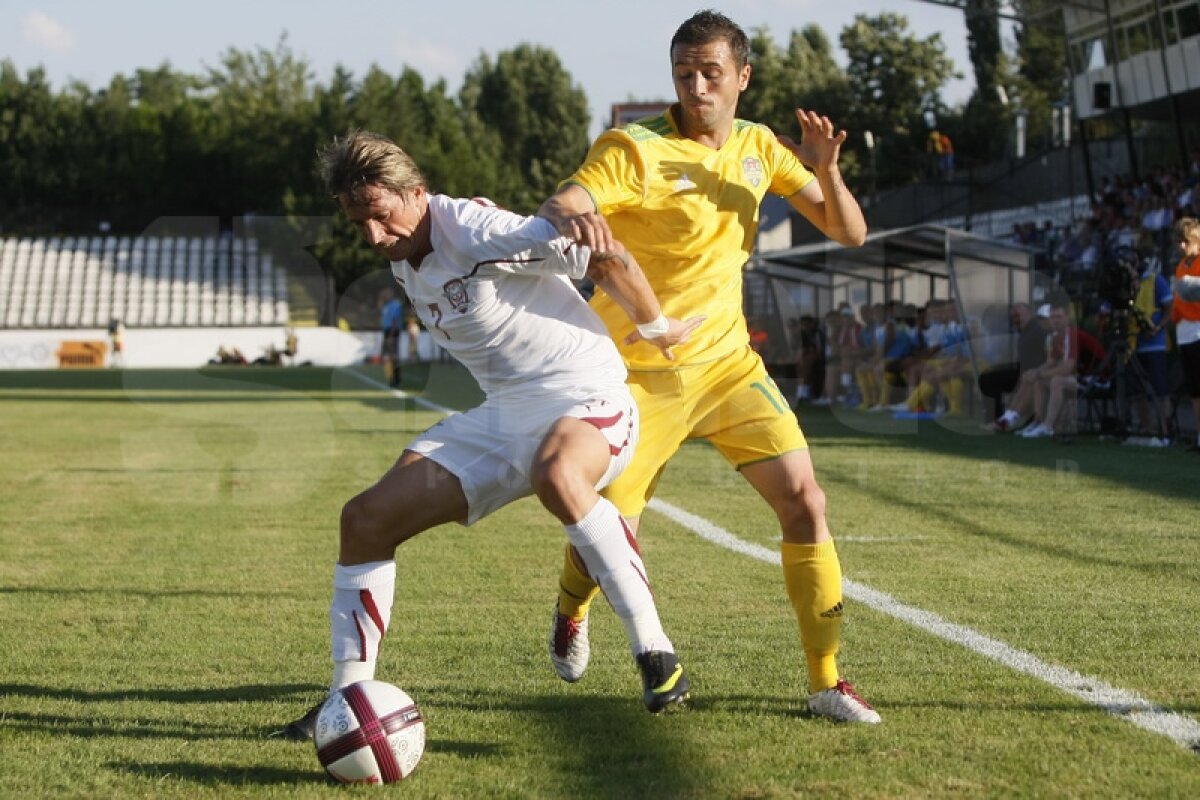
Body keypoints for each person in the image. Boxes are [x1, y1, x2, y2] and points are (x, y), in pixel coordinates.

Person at [275, 130, 705, 740]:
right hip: (504, 415)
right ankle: (345, 698)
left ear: (416, 193)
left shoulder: (475, 231)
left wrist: (656, 326)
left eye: (380, 216)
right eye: (357, 222)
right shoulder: (405, 250)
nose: (372, 236)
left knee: (558, 474)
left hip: (589, 394)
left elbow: (602, 254)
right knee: (365, 519)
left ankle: (657, 655)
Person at [538, 10, 879, 723]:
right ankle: (572, 607)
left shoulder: (760, 148)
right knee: (609, 529)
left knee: (806, 501)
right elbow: (567, 199)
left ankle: (826, 681)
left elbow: (849, 231)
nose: (696, 87)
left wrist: (827, 168)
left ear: (742, 79)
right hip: (637, 374)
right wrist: (571, 214)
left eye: (711, 73)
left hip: (728, 367)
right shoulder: (633, 149)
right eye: (684, 74)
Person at [1016, 304, 1107, 439]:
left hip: (1098, 378)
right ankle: (1037, 422)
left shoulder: (1072, 334)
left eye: (1059, 317)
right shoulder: (1055, 336)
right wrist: (1035, 373)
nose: (1055, 320)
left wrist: (1039, 373)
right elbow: (1051, 362)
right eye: (1052, 317)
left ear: (1067, 318)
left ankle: (1048, 427)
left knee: (1057, 381)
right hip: (1079, 377)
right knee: (1039, 382)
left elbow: (1067, 368)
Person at [983, 302, 1049, 431]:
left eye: (1019, 314)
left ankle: (1008, 419)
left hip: (1037, 371)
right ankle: (1003, 418)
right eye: (1013, 316)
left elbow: (1049, 358)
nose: (1016, 318)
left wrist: (1037, 371)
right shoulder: (1025, 331)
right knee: (989, 377)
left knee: (1029, 379)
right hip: (1025, 370)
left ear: (1029, 313)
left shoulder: (1038, 331)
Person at [1170, 217, 1200, 452]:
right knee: (1194, 390)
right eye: (1179, 241)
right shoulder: (1180, 267)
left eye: (1186, 241)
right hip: (1184, 332)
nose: (1181, 246)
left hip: (1198, 329)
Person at [378, 287, 404, 387]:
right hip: (387, 331)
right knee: (388, 357)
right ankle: (391, 379)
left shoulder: (396, 304)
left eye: (387, 293)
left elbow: (395, 320)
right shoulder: (386, 305)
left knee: (394, 356)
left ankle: (397, 380)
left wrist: (390, 335)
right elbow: (380, 309)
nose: (386, 295)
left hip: (393, 331)